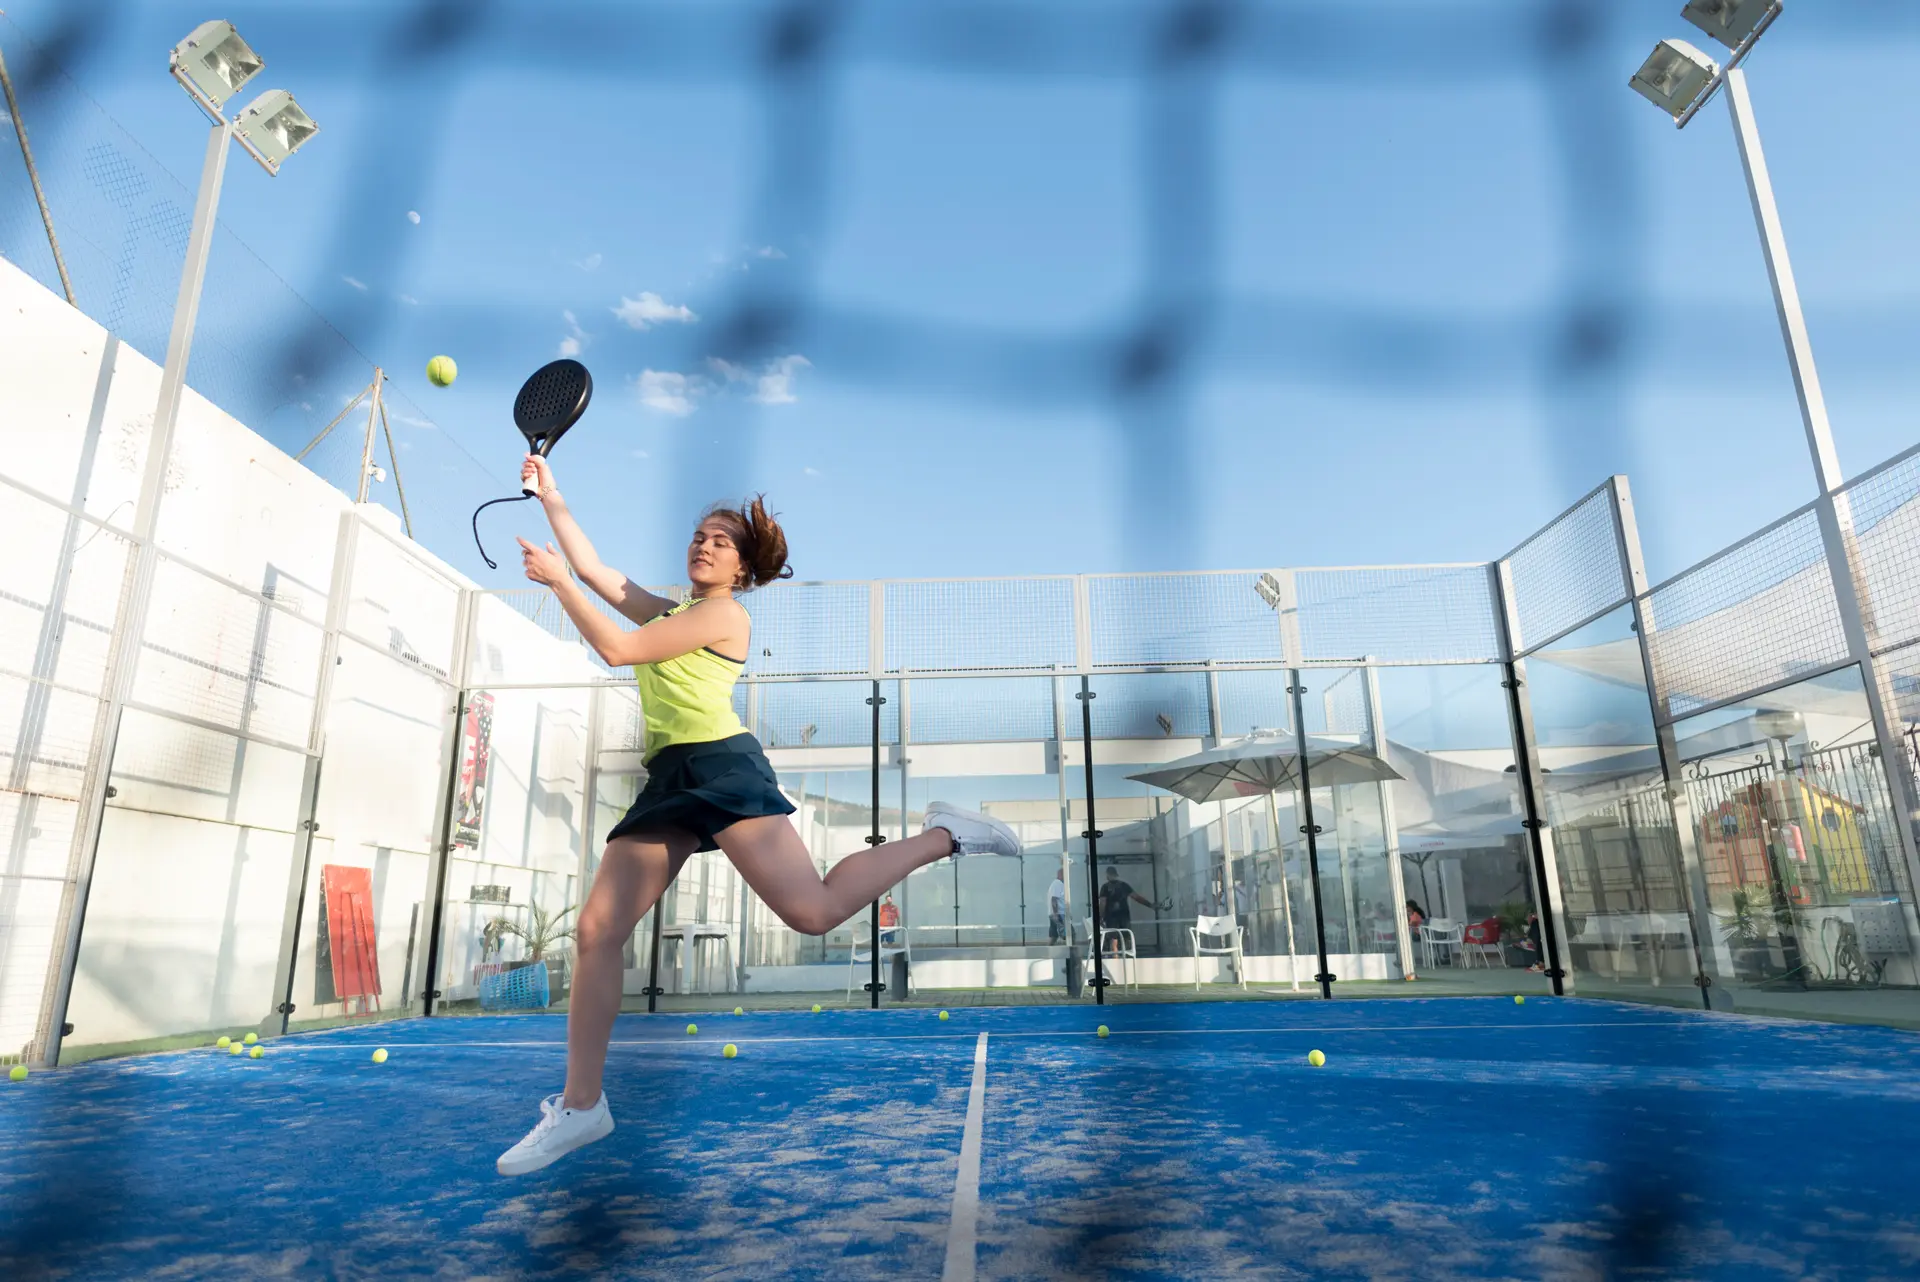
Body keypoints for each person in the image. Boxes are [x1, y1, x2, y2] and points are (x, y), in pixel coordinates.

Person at [497, 456, 1021, 1176]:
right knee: (597, 931)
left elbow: (616, 648)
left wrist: (556, 584)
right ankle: (582, 1106)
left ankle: (946, 835)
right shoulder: (676, 610)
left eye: (720, 541)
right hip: (671, 777)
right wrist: (551, 495)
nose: (703, 545)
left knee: (813, 912)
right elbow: (595, 571)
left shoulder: (722, 614)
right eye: (698, 536)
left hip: (722, 768)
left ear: (741, 568)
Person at [1098, 866, 1155, 957]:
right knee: (1126, 941)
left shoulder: (1105, 887)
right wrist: (1150, 905)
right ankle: (1127, 962)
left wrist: (1100, 917)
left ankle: (1115, 963)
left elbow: (1102, 903)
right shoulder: (1124, 885)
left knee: (1114, 943)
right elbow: (1136, 897)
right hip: (1124, 917)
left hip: (1111, 918)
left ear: (1108, 875)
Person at [1047, 870, 1067, 945]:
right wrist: (1056, 914)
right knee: (1070, 934)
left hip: (1056, 913)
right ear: (1061, 875)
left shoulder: (1057, 884)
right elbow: (1054, 899)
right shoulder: (1057, 883)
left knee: (1054, 935)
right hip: (1059, 914)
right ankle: (1071, 954)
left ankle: (1048, 953)